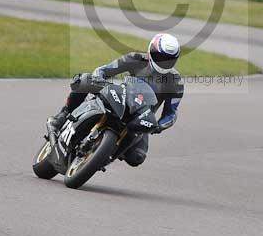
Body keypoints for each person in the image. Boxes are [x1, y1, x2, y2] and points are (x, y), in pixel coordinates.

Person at [49, 33, 184, 167]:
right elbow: (104, 70)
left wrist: (159, 125)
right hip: (121, 98)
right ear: (151, 51)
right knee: (84, 80)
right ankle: (64, 114)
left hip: (141, 117)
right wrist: (99, 78)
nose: (163, 62)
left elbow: (171, 113)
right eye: (160, 57)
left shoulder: (175, 82)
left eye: (168, 59)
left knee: (137, 157)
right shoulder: (135, 59)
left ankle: (106, 153)